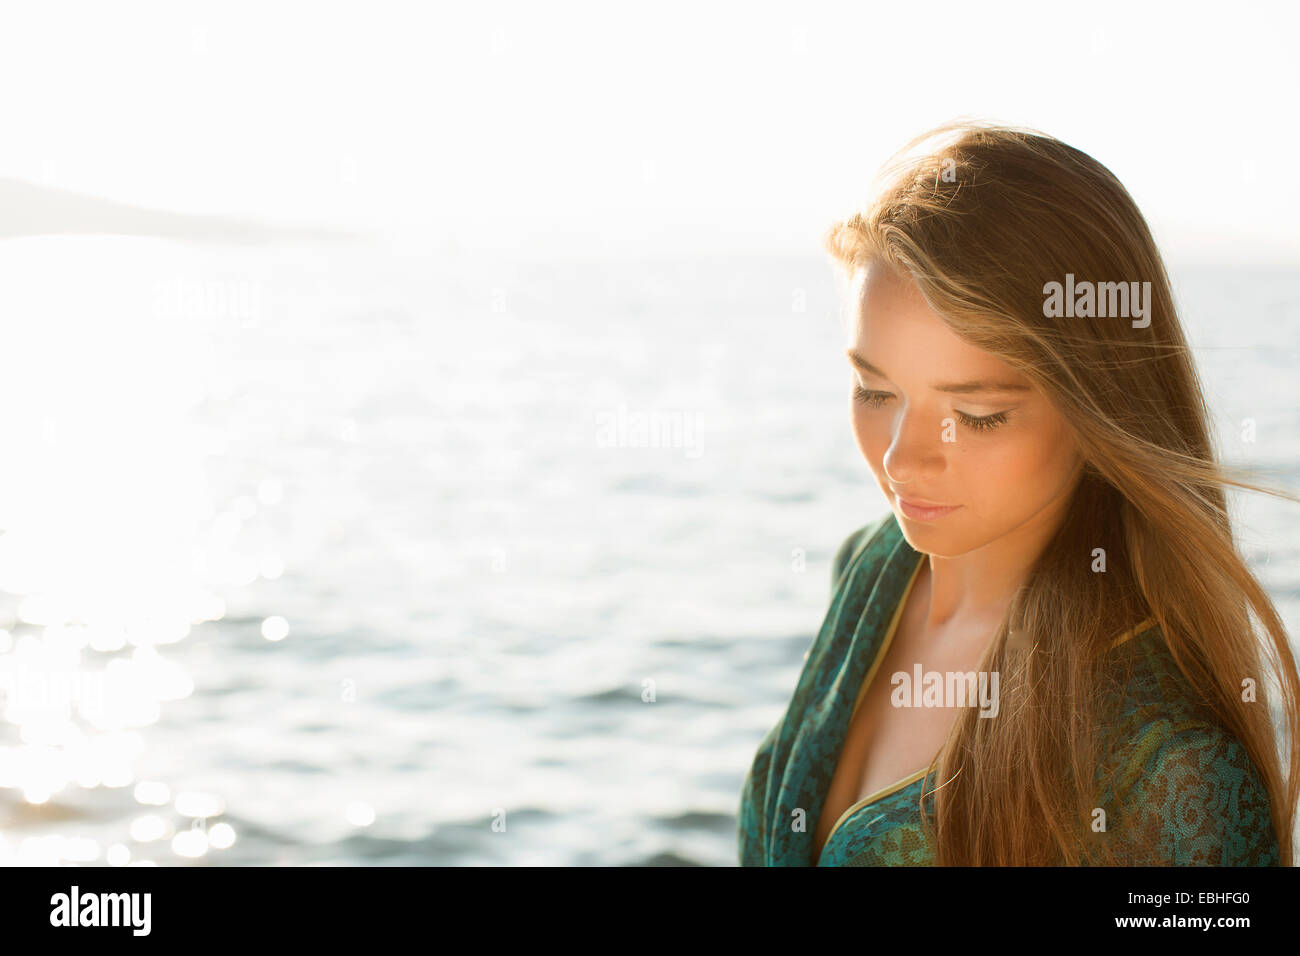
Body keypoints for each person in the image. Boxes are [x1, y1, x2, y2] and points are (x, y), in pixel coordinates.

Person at [738, 121, 1299, 866]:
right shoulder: (871, 568)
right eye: (876, 391)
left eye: (975, 416)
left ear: (1100, 405)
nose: (902, 458)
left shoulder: (1172, 768)